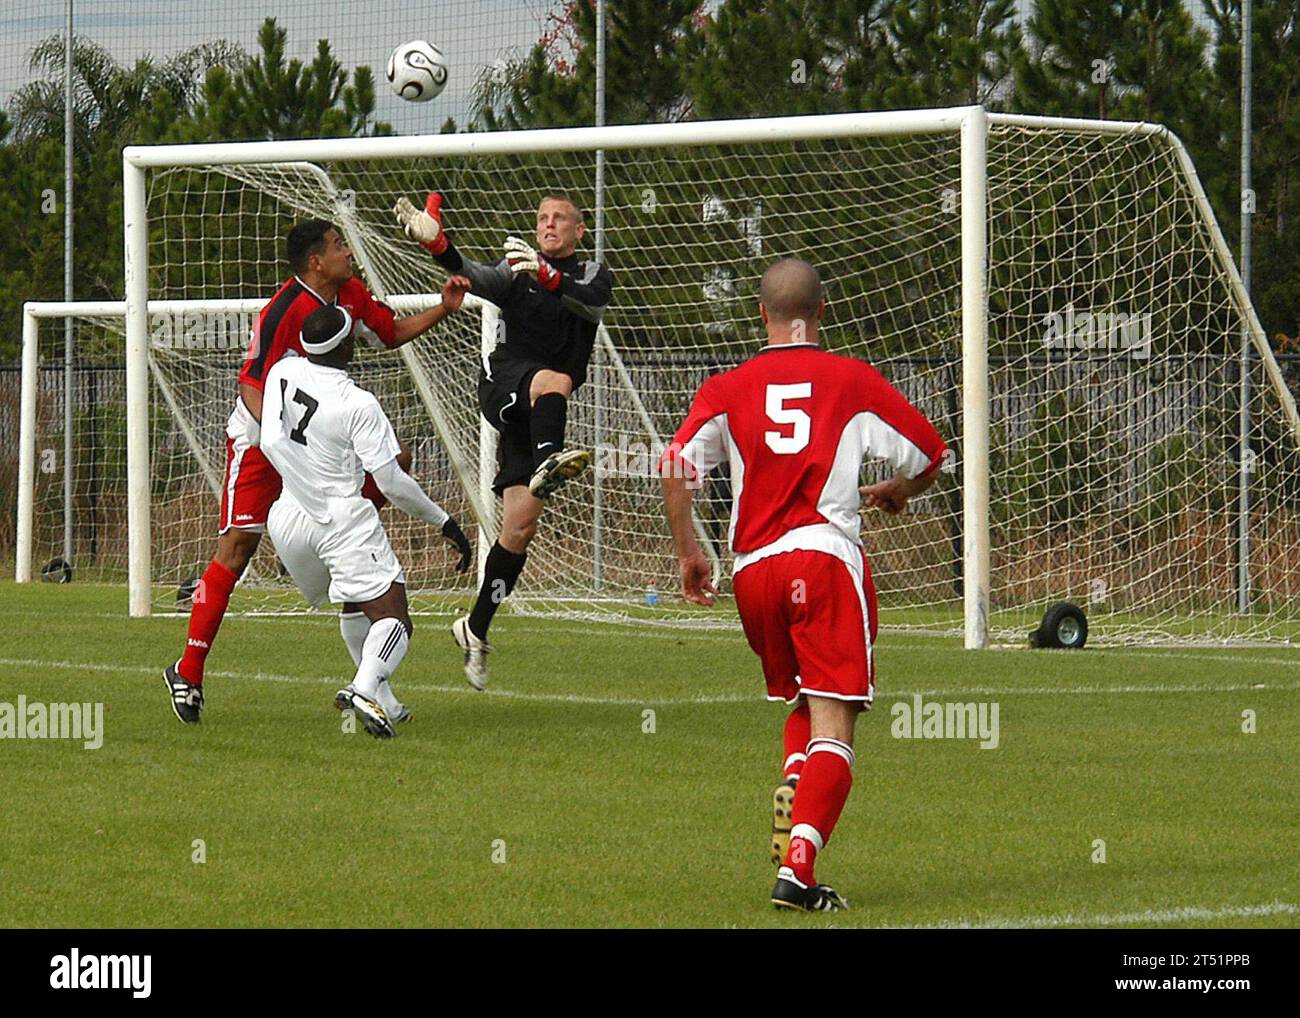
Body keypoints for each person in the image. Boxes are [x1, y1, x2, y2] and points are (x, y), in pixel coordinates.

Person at [660, 258, 948, 912]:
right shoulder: (850, 379)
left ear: (761, 315)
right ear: (823, 311)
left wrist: (688, 555)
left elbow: (675, 468)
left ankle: (796, 786)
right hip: (820, 560)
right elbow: (934, 453)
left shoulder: (727, 386)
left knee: (802, 704)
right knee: (837, 724)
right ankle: (799, 868)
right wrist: (899, 489)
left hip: (754, 572)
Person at [162, 217, 471, 724]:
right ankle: (189, 671)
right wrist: (283, 442)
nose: (347, 251)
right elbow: (250, 384)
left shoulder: (349, 291)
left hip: (313, 438)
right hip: (263, 437)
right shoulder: (282, 310)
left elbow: (389, 331)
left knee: (396, 465)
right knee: (238, 546)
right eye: (337, 245)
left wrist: (443, 307)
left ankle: (324, 567)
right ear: (314, 261)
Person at [393, 190, 614, 690]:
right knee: (555, 380)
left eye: (560, 218)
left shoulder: (591, 274)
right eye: (542, 218)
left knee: (518, 531)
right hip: (505, 384)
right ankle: (549, 459)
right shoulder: (518, 272)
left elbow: (588, 299)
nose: (548, 224)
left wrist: (548, 276)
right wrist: (438, 245)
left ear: (579, 231)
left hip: (536, 413)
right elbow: (474, 273)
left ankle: (475, 628)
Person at [260, 304, 473, 738]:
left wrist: (302, 485)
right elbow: (392, 482)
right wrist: (443, 520)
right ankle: (362, 689)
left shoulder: (283, 370)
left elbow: (268, 439)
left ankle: (387, 700)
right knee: (394, 616)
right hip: (339, 517)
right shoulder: (358, 403)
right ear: (346, 346)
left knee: (356, 603)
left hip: (285, 518)